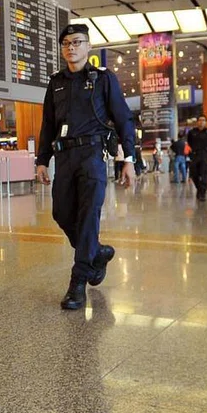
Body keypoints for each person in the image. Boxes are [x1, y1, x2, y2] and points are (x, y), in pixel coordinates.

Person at [35, 23, 135, 311]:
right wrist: (42, 160)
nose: (71, 47)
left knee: (89, 214)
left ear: (89, 47)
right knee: (61, 212)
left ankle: (78, 281)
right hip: (64, 156)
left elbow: (124, 118)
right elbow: (48, 124)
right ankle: (98, 252)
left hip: (92, 154)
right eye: (66, 43)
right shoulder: (56, 83)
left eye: (77, 42)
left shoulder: (104, 79)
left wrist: (128, 158)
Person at [186, 116, 207, 201]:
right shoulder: (192, 132)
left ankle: (202, 193)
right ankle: (199, 189)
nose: (201, 122)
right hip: (194, 154)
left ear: (206, 122)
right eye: (200, 120)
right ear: (197, 122)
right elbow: (189, 142)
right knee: (194, 174)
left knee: (204, 174)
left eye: (203, 120)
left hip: (205, 154)